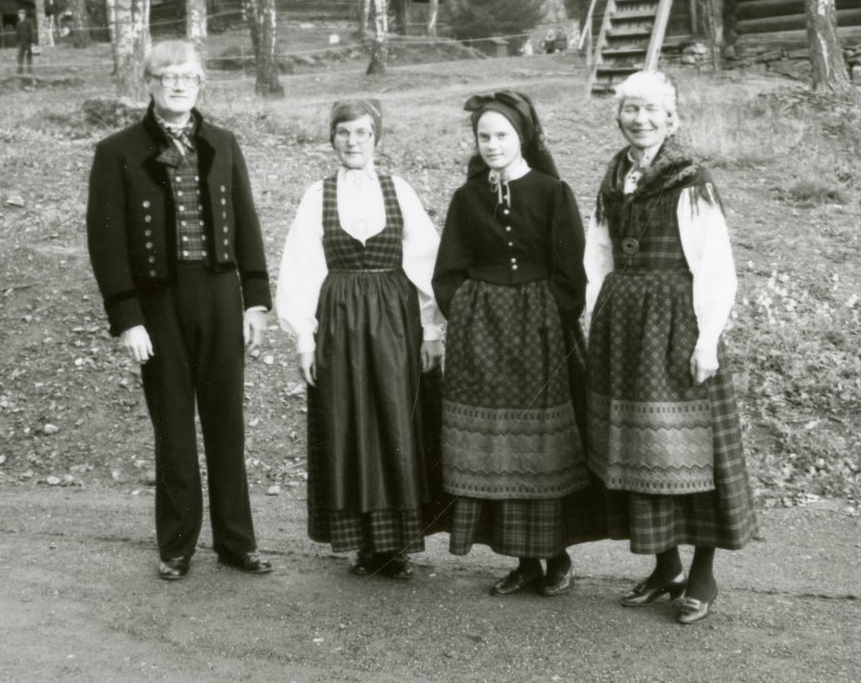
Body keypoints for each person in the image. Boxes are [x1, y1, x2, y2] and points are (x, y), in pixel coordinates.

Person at [86, 40, 275, 581]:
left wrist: (256, 301)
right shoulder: (116, 151)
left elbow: (247, 224)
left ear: (201, 83)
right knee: (173, 426)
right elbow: (107, 244)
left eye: (187, 76)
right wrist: (127, 318)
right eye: (167, 76)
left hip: (219, 298)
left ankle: (237, 543)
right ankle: (176, 545)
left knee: (227, 425)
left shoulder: (223, 143)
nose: (177, 85)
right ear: (148, 82)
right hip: (158, 304)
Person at [584, 70, 757, 624]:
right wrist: (596, 313)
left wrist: (707, 341)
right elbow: (598, 255)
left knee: (687, 451)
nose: (640, 119)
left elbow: (716, 267)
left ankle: (702, 575)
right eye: (631, 109)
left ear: (671, 118)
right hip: (623, 328)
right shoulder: (614, 177)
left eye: (651, 110)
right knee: (638, 447)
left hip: (676, 325)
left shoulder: (690, 181)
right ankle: (665, 566)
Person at [433, 90, 594, 597]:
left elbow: (572, 273)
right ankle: (524, 561)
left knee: (541, 448)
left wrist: (548, 315)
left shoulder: (551, 191)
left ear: (522, 137)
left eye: (502, 135)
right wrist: (468, 311)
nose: (492, 145)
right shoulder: (467, 197)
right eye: (484, 136)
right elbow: (448, 270)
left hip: (540, 335)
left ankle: (558, 556)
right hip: (482, 336)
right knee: (498, 448)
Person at [277, 99, 445, 580]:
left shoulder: (399, 190)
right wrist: (304, 340)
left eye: (363, 133)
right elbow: (301, 265)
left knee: (396, 419)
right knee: (349, 420)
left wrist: (430, 329)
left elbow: (427, 263)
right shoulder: (318, 195)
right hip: (340, 320)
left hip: (395, 317)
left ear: (377, 138)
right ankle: (361, 544)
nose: (354, 142)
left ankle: (398, 546)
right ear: (332, 139)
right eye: (345, 133)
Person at [16, 9, 37, 85]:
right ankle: (20, 71)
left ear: (24, 14)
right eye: (19, 14)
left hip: (28, 42)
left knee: (29, 56)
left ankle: (29, 71)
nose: (19, 15)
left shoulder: (29, 22)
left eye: (21, 14)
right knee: (19, 56)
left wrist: (33, 42)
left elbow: (32, 31)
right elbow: (17, 33)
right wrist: (18, 41)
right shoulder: (18, 23)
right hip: (21, 42)